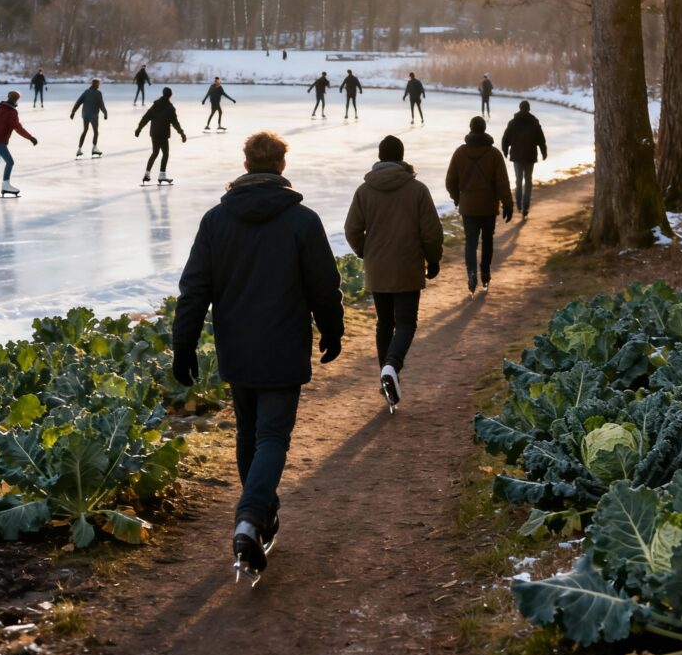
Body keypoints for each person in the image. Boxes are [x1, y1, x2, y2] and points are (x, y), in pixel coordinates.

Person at [172, 131, 344, 583]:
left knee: (249, 432)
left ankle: (260, 515)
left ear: (246, 164)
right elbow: (324, 285)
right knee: (271, 437)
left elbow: (195, 289)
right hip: (284, 345)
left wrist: (184, 344)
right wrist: (332, 327)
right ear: (281, 166)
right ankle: (250, 518)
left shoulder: (216, 221)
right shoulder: (302, 221)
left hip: (237, 346)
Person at [344, 135, 443, 412]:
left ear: (379, 157)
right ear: (401, 158)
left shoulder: (364, 191)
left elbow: (352, 229)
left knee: (384, 323)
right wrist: (433, 259)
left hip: (378, 267)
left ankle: (388, 380)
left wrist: (367, 252)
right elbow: (432, 231)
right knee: (407, 323)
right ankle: (391, 367)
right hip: (408, 265)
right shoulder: (418, 190)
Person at [445, 116, 514, 295]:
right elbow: (502, 183)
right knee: (488, 240)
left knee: (471, 242)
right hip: (489, 206)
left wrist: (457, 198)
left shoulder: (460, 153)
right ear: (484, 129)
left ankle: (472, 273)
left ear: (470, 128)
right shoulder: (494, 154)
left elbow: (450, 180)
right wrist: (508, 203)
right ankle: (485, 272)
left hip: (468, 206)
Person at [501, 100, 548, 220]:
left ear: (520, 108)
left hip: (517, 156)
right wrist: (544, 152)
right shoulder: (534, 122)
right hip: (530, 156)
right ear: (529, 109)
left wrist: (505, 151)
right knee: (528, 181)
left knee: (518, 180)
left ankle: (519, 204)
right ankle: (525, 207)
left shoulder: (513, 123)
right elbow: (541, 139)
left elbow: (505, 138)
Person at [135, 86, 187, 185]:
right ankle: (162, 175)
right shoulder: (170, 108)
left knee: (155, 153)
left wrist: (139, 128)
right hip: (163, 134)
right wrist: (182, 134)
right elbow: (175, 123)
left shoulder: (155, 105)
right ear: (170, 95)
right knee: (165, 154)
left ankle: (147, 174)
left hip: (154, 133)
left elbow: (145, 118)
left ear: (163, 94)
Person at [70, 79, 108, 157]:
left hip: (85, 115)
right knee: (96, 132)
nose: (99, 85)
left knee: (85, 130)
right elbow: (101, 105)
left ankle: (79, 149)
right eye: (98, 84)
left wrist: (73, 112)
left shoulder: (86, 92)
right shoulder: (98, 93)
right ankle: (94, 148)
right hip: (93, 115)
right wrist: (105, 113)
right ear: (96, 85)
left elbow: (78, 102)